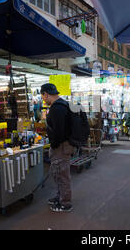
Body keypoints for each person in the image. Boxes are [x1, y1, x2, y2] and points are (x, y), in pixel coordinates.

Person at [41, 83, 74, 213]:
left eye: (43, 96)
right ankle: (60, 196)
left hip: (61, 146)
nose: (43, 99)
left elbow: (59, 131)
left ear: (46, 94)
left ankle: (65, 203)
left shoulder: (57, 108)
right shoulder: (62, 104)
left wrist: (54, 145)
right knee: (58, 173)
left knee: (62, 174)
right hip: (63, 145)